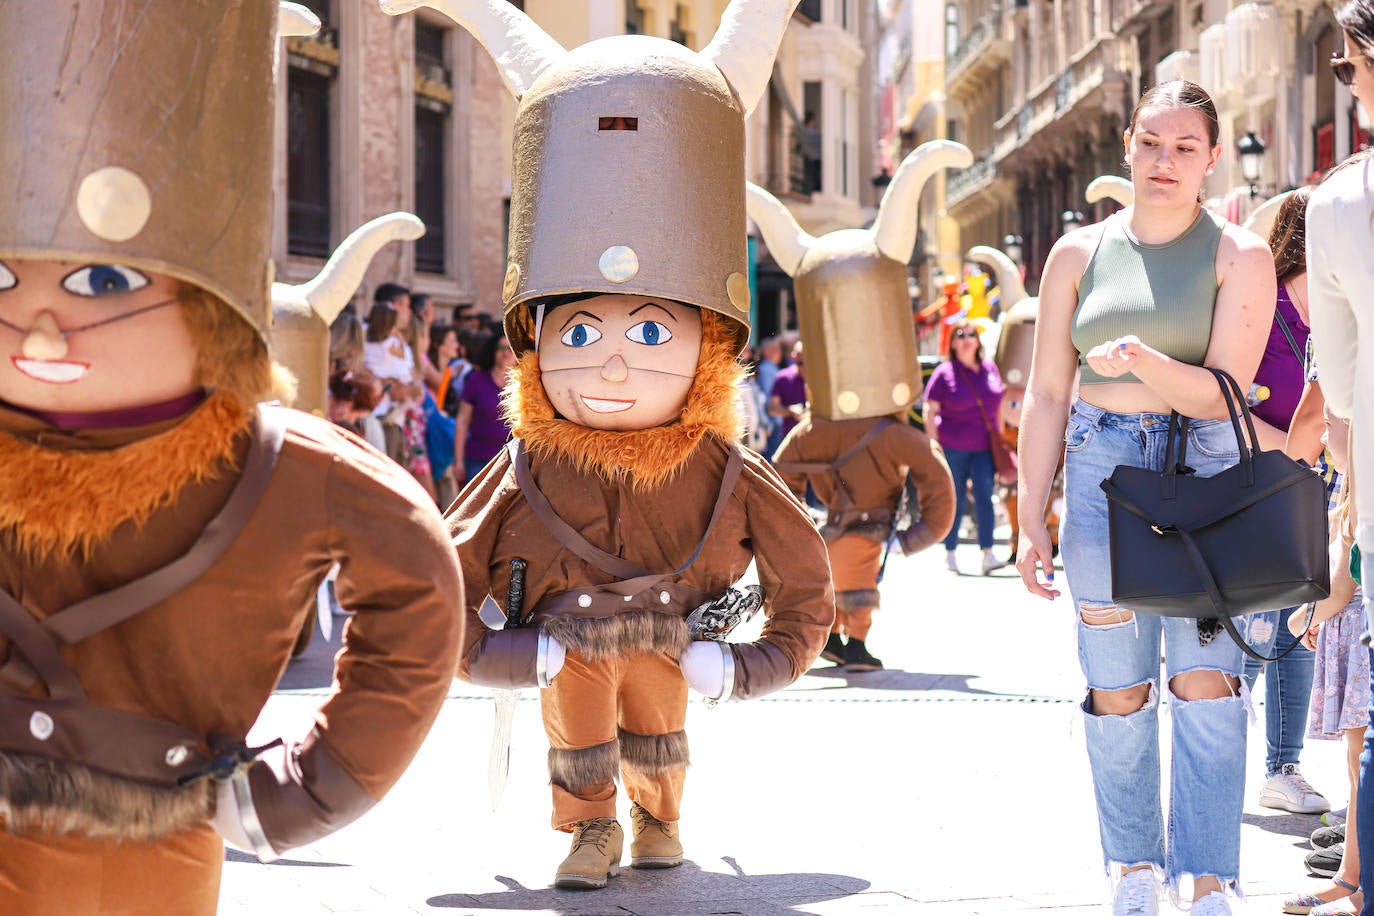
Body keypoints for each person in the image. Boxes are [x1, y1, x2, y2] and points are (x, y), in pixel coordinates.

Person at [0, 5, 463, 910]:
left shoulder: (283, 466)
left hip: (150, 843)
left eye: (104, 280)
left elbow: (418, 590)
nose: (42, 327)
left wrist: (307, 790)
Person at [388, 0, 835, 892]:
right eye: (582, 335)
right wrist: (510, 658)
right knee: (579, 736)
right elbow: (441, 575)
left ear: (705, 347)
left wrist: (741, 669)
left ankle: (658, 817)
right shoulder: (526, 465)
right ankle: (588, 830)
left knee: (660, 731)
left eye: (654, 335)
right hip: (567, 646)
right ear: (537, 343)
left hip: (670, 640)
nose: (618, 364)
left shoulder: (724, 469)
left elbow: (805, 586)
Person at [1015, 80, 1276, 915]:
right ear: (1126, 145)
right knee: (1117, 686)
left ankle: (1208, 880)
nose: (1165, 161)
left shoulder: (1242, 254)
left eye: (1185, 147)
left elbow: (1228, 394)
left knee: (1206, 683)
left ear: (1210, 158)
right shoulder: (1076, 255)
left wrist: (1149, 367)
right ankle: (1133, 870)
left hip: (1207, 476)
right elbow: (1048, 395)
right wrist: (1029, 521)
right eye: (1151, 143)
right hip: (1100, 477)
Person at [751, 141, 966, 672]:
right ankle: (851, 643)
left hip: (833, 528)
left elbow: (780, 481)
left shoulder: (810, 431)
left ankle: (839, 639)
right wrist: (917, 536)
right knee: (857, 585)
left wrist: (801, 522)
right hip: (868, 526)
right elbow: (937, 485)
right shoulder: (895, 435)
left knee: (842, 580)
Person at [1303, 2, 1374, 907]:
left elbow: (1348, 394)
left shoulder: (1340, 201)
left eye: (1347, 64)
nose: (1347, 80)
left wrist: (1352, 511)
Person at [1238, 189, 1331, 819]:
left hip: (1319, 490)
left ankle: (1283, 768)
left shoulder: (1337, 306)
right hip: (1260, 487)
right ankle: (1210, 752)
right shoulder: (1259, 307)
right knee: (1250, 630)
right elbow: (1231, 402)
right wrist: (1295, 452)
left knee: (1299, 629)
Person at [1283, 419, 1364, 916]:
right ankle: (1350, 877)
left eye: (1333, 422)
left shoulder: (1360, 488)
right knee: (1358, 768)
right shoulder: (1350, 490)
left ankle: (1352, 881)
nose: (1324, 429)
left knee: (1360, 767)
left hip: (1358, 632)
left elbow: (1344, 579)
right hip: (1350, 633)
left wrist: (1303, 617)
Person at [922, 319, 1008, 575]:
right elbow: (929, 409)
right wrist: (933, 444)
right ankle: (950, 552)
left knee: (985, 497)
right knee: (955, 498)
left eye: (971, 333)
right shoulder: (944, 372)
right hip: (953, 447)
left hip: (984, 447)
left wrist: (1001, 438)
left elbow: (1000, 404)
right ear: (953, 343)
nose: (966, 337)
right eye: (960, 334)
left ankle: (988, 553)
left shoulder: (990, 368)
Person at [453, 329, 515, 485]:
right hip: (477, 460)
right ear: (493, 352)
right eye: (501, 348)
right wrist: (458, 459)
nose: (505, 353)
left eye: (510, 349)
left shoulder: (525, 386)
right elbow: (462, 421)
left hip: (512, 462)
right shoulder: (476, 380)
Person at [767, 339, 808, 451]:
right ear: (794, 358)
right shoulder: (783, 377)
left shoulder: (822, 378)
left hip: (816, 439)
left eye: (809, 363)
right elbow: (772, 408)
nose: (805, 367)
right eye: (801, 363)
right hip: (790, 442)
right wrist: (789, 411)